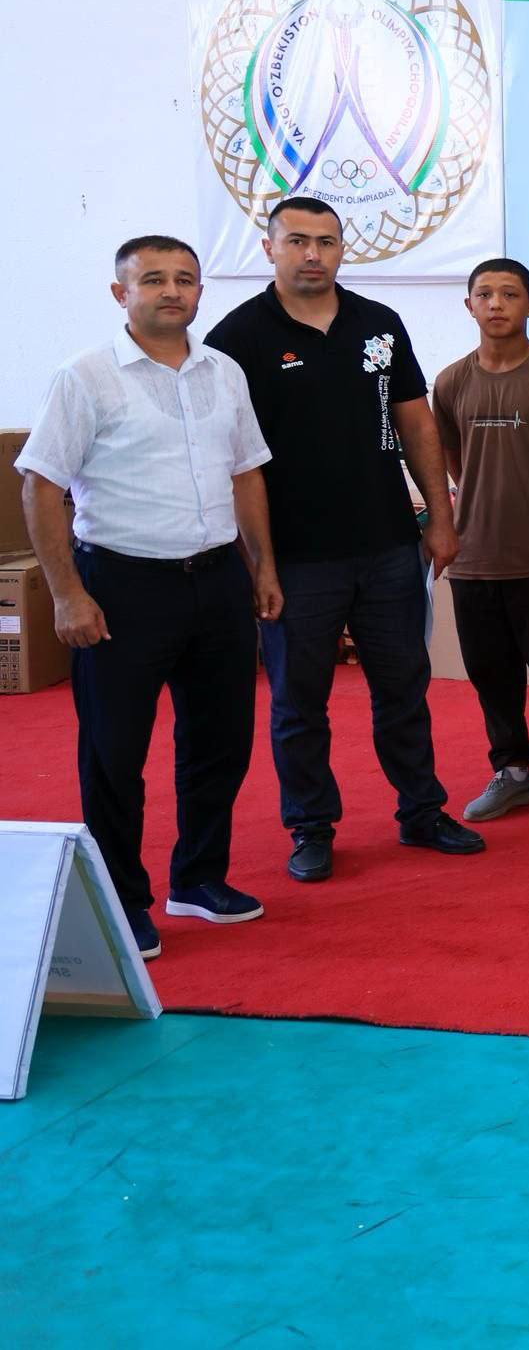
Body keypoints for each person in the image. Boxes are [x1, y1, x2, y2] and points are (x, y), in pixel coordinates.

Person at [19, 236, 282, 957]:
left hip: (217, 581)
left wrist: (261, 567)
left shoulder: (223, 371)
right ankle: (120, 903)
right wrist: (67, 595)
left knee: (220, 742)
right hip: (122, 585)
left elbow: (246, 474)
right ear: (121, 293)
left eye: (185, 280)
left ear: (199, 292)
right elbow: (41, 485)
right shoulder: (85, 376)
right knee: (114, 752)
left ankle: (198, 879)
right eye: (154, 279)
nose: (172, 291)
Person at [207, 196, 484, 882]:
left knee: (404, 688)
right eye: (297, 241)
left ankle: (422, 811)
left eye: (326, 241)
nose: (313, 254)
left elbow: (415, 422)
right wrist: (257, 562)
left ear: (341, 248)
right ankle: (310, 826)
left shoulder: (377, 323)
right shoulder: (237, 338)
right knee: (299, 703)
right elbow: (227, 460)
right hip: (295, 559)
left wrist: (440, 518)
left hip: (387, 544)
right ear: (268, 248)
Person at [432, 259, 529, 827]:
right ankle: (513, 773)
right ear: (469, 305)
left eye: (510, 294)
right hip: (475, 559)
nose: (496, 304)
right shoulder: (450, 382)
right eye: (485, 294)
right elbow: (452, 459)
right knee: (491, 677)